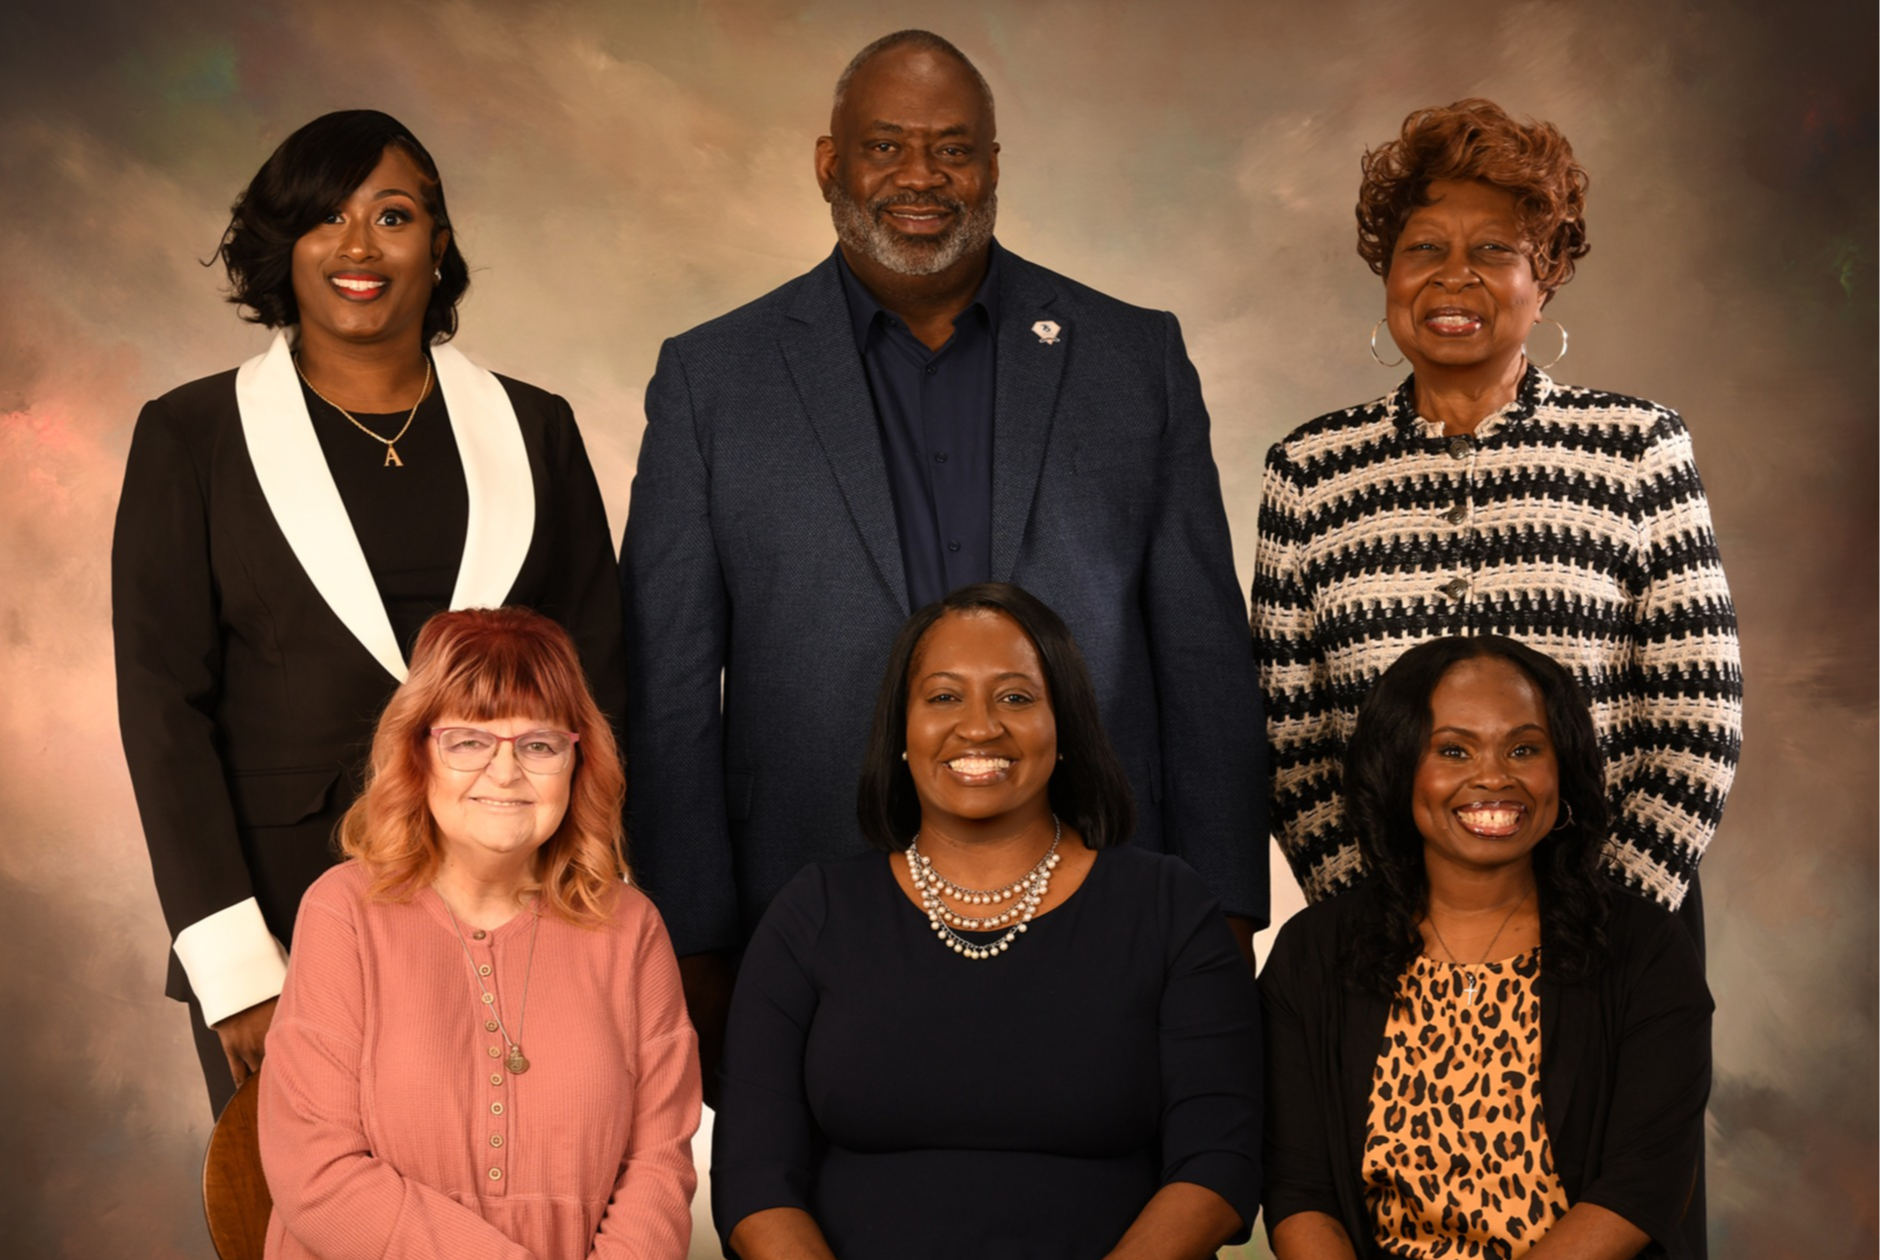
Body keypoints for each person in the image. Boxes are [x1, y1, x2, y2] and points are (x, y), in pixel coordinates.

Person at [621, 30, 1264, 1090]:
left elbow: (1200, 653)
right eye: (885, 145)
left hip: (1099, 899)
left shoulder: (1131, 359)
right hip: (804, 904)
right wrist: (692, 940)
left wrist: (1227, 908)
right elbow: (671, 690)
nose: (921, 177)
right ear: (830, 163)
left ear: (995, 168)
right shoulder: (712, 379)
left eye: (953, 149)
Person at [112, 110, 625, 1116]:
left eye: (393, 215)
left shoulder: (536, 429)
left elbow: (601, 684)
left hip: (515, 906)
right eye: (324, 218)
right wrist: (232, 963)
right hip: (282, 916)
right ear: (281, 246)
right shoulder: (191, 436)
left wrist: (589, 904)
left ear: (437, 244)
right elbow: (162, 710)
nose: (359, 246)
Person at [1251, 99, 1740, 937]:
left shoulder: (1636, 448)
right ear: (1387, 277)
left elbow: (1698, 713)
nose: (1452, 276)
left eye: (1493, 251)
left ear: (1542, 278)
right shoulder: (1309, 472)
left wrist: (1609, 915)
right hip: (1390, 944)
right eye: (1424, 250)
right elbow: (1288, 739)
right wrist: (1373, 921)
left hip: (1613, 928)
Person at [711, 584, 1261, 1260]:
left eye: (1016, 697)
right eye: (943, 697)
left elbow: (1219, 1160)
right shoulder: (812, 913)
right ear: (901, 733)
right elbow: (752, 1178)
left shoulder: (1168, 907)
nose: (978, 727)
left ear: (1065, 728)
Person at [258, 607, 699, 1260]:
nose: (505, 772)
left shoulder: (631, 930)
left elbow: (658, 1169)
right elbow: (316, 1171)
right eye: (468, 742)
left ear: (578, 761)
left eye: (538, 744)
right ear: (418, 753)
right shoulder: (341, 913)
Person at [1259, 635, 1711, 1260]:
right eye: (1453, 750)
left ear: (1563, 769)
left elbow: (1644, 1189)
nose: (1494, 776)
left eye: (1524, 748)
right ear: (1397, 767)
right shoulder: (1311, 955)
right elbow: (1299, 1191)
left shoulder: (1646, 951)